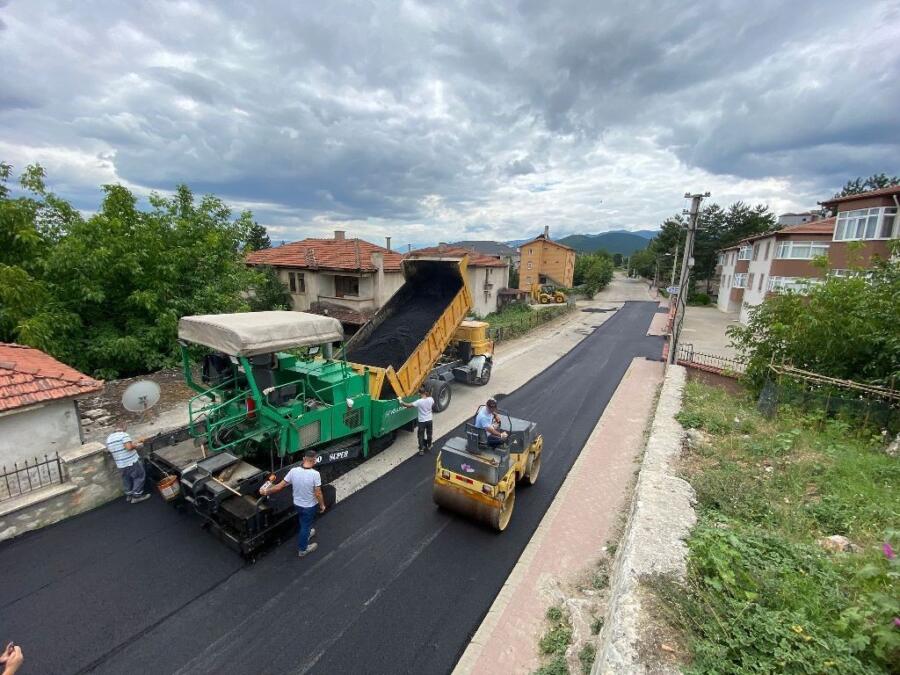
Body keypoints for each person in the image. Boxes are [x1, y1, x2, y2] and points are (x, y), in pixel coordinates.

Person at [260, 450, 326, 557]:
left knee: (303, 521)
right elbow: (318, 493)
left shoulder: (293, 471)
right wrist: (322, 505)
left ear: (304, 459)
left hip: (297, 504)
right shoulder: (315, 474)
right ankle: (303, 549)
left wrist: (266, 491)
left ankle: (307, 533)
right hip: (309, 506)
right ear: (314, 461)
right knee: (305, 525)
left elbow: (279, 487)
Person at [105, 424, 151, 504]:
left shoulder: (109, 438)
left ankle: (129, 495)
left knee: (126, 479)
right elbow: (128, 447)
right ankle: (137, 496)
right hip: (130, 461)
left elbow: (118, 448)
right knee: (139, 476)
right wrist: (137, 446)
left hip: (120, 464)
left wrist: (134, 443)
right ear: (123, 428)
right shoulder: (124, 435)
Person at [399, 386, 435, 455]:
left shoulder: (419, 401)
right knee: (429, 434)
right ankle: (429, 445)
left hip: (422, 421)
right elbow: (432, 405)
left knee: (420, 435)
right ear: (425, 392)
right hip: (429, 420)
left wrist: (401, 401)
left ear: (419, 393)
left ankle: (421, 449)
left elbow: (408, 405)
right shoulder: (431, 399)